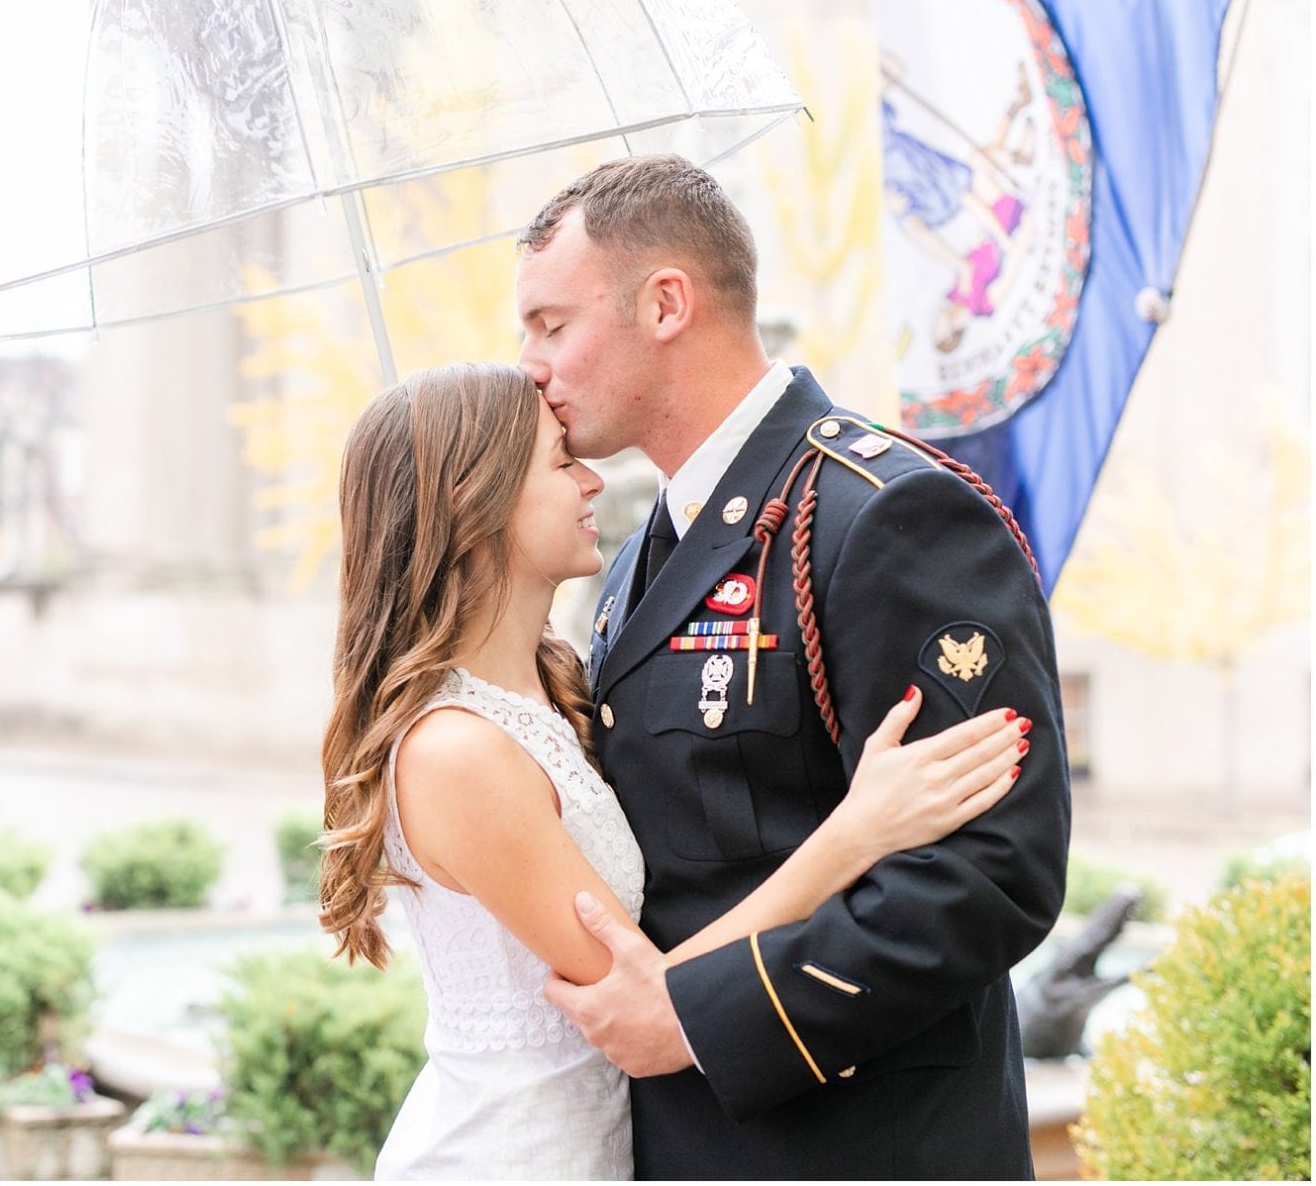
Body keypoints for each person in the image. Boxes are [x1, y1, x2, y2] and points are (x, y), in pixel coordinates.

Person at [317, 360, 1034, 1179]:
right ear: (469, 500)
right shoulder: (457, 751)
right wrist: (859, 830)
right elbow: (649, 995)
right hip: (514, 1153)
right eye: (559, 462)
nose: (592, 480)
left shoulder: (556, 683)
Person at [516, 155, 1070, 1179]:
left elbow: (992, 872)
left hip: (859, 1142)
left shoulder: (885, 513)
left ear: (666, 303)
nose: (531, 366)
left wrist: (698, 1020)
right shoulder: (638, 549)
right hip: (677, 1140)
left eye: (552, 324)